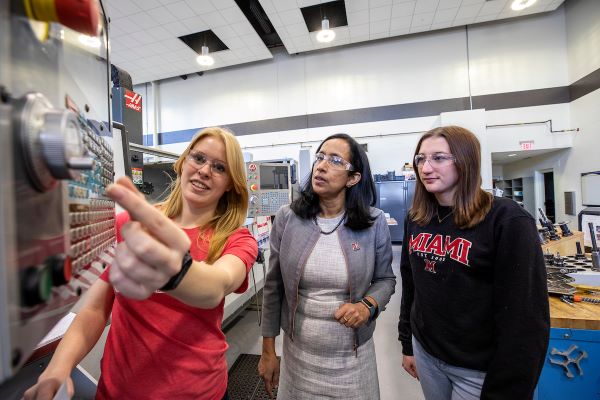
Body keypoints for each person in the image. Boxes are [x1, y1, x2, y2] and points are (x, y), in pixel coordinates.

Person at [24, 127, 258, 400]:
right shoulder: (130, 225)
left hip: (197, 392)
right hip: (119, 390)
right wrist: (58, 369)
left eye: (220, 167)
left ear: (230, 183)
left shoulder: (236, 239)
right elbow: (95, 310)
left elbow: (217, 285)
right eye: (199, 159)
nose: (205, 170)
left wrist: (176, 271)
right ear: (183, 162)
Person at [398, 126, 549, 400]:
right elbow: (411, 285)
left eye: (439, 158)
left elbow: (526, 318)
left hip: (480, 369)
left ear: (466, 161)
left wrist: (507, 389)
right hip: (428, 355)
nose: (426, 167)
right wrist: (408, 342)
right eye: (420, 159)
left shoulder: (506, 220)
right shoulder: (417, 218)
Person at [258, 133, 396, 399]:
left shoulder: (373, 222)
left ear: (353, 178)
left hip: (352, 362)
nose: (321, 166)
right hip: (298, 360)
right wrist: (268, 351)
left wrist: (367, 306)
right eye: (320, 157)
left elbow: (385, 280)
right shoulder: (288, 217)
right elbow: (273, 288)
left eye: (335, 161)